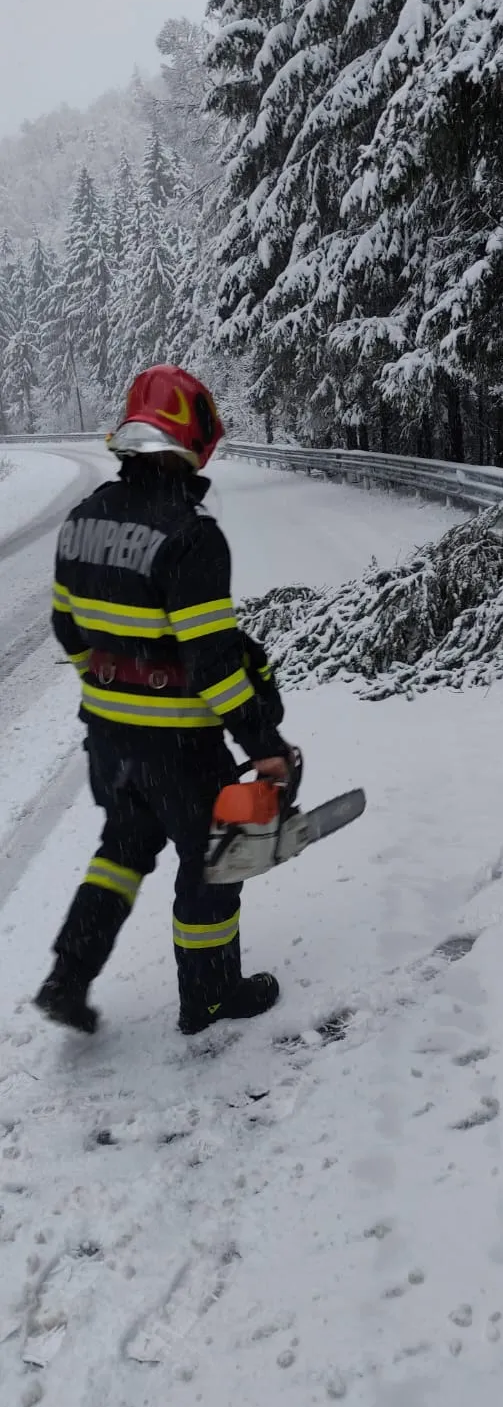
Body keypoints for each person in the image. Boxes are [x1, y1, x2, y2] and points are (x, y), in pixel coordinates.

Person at [34, 364, 293, 1037]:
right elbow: (214, 664)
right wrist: (263, 746)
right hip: (180, 745)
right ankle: (211, 997)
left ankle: (67, 978)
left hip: (108, 738)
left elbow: (65, 625)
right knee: (214, 864)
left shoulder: (82, 520)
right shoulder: (190, 535)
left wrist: (109, 687)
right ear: (192, 438)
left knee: (120, 851)